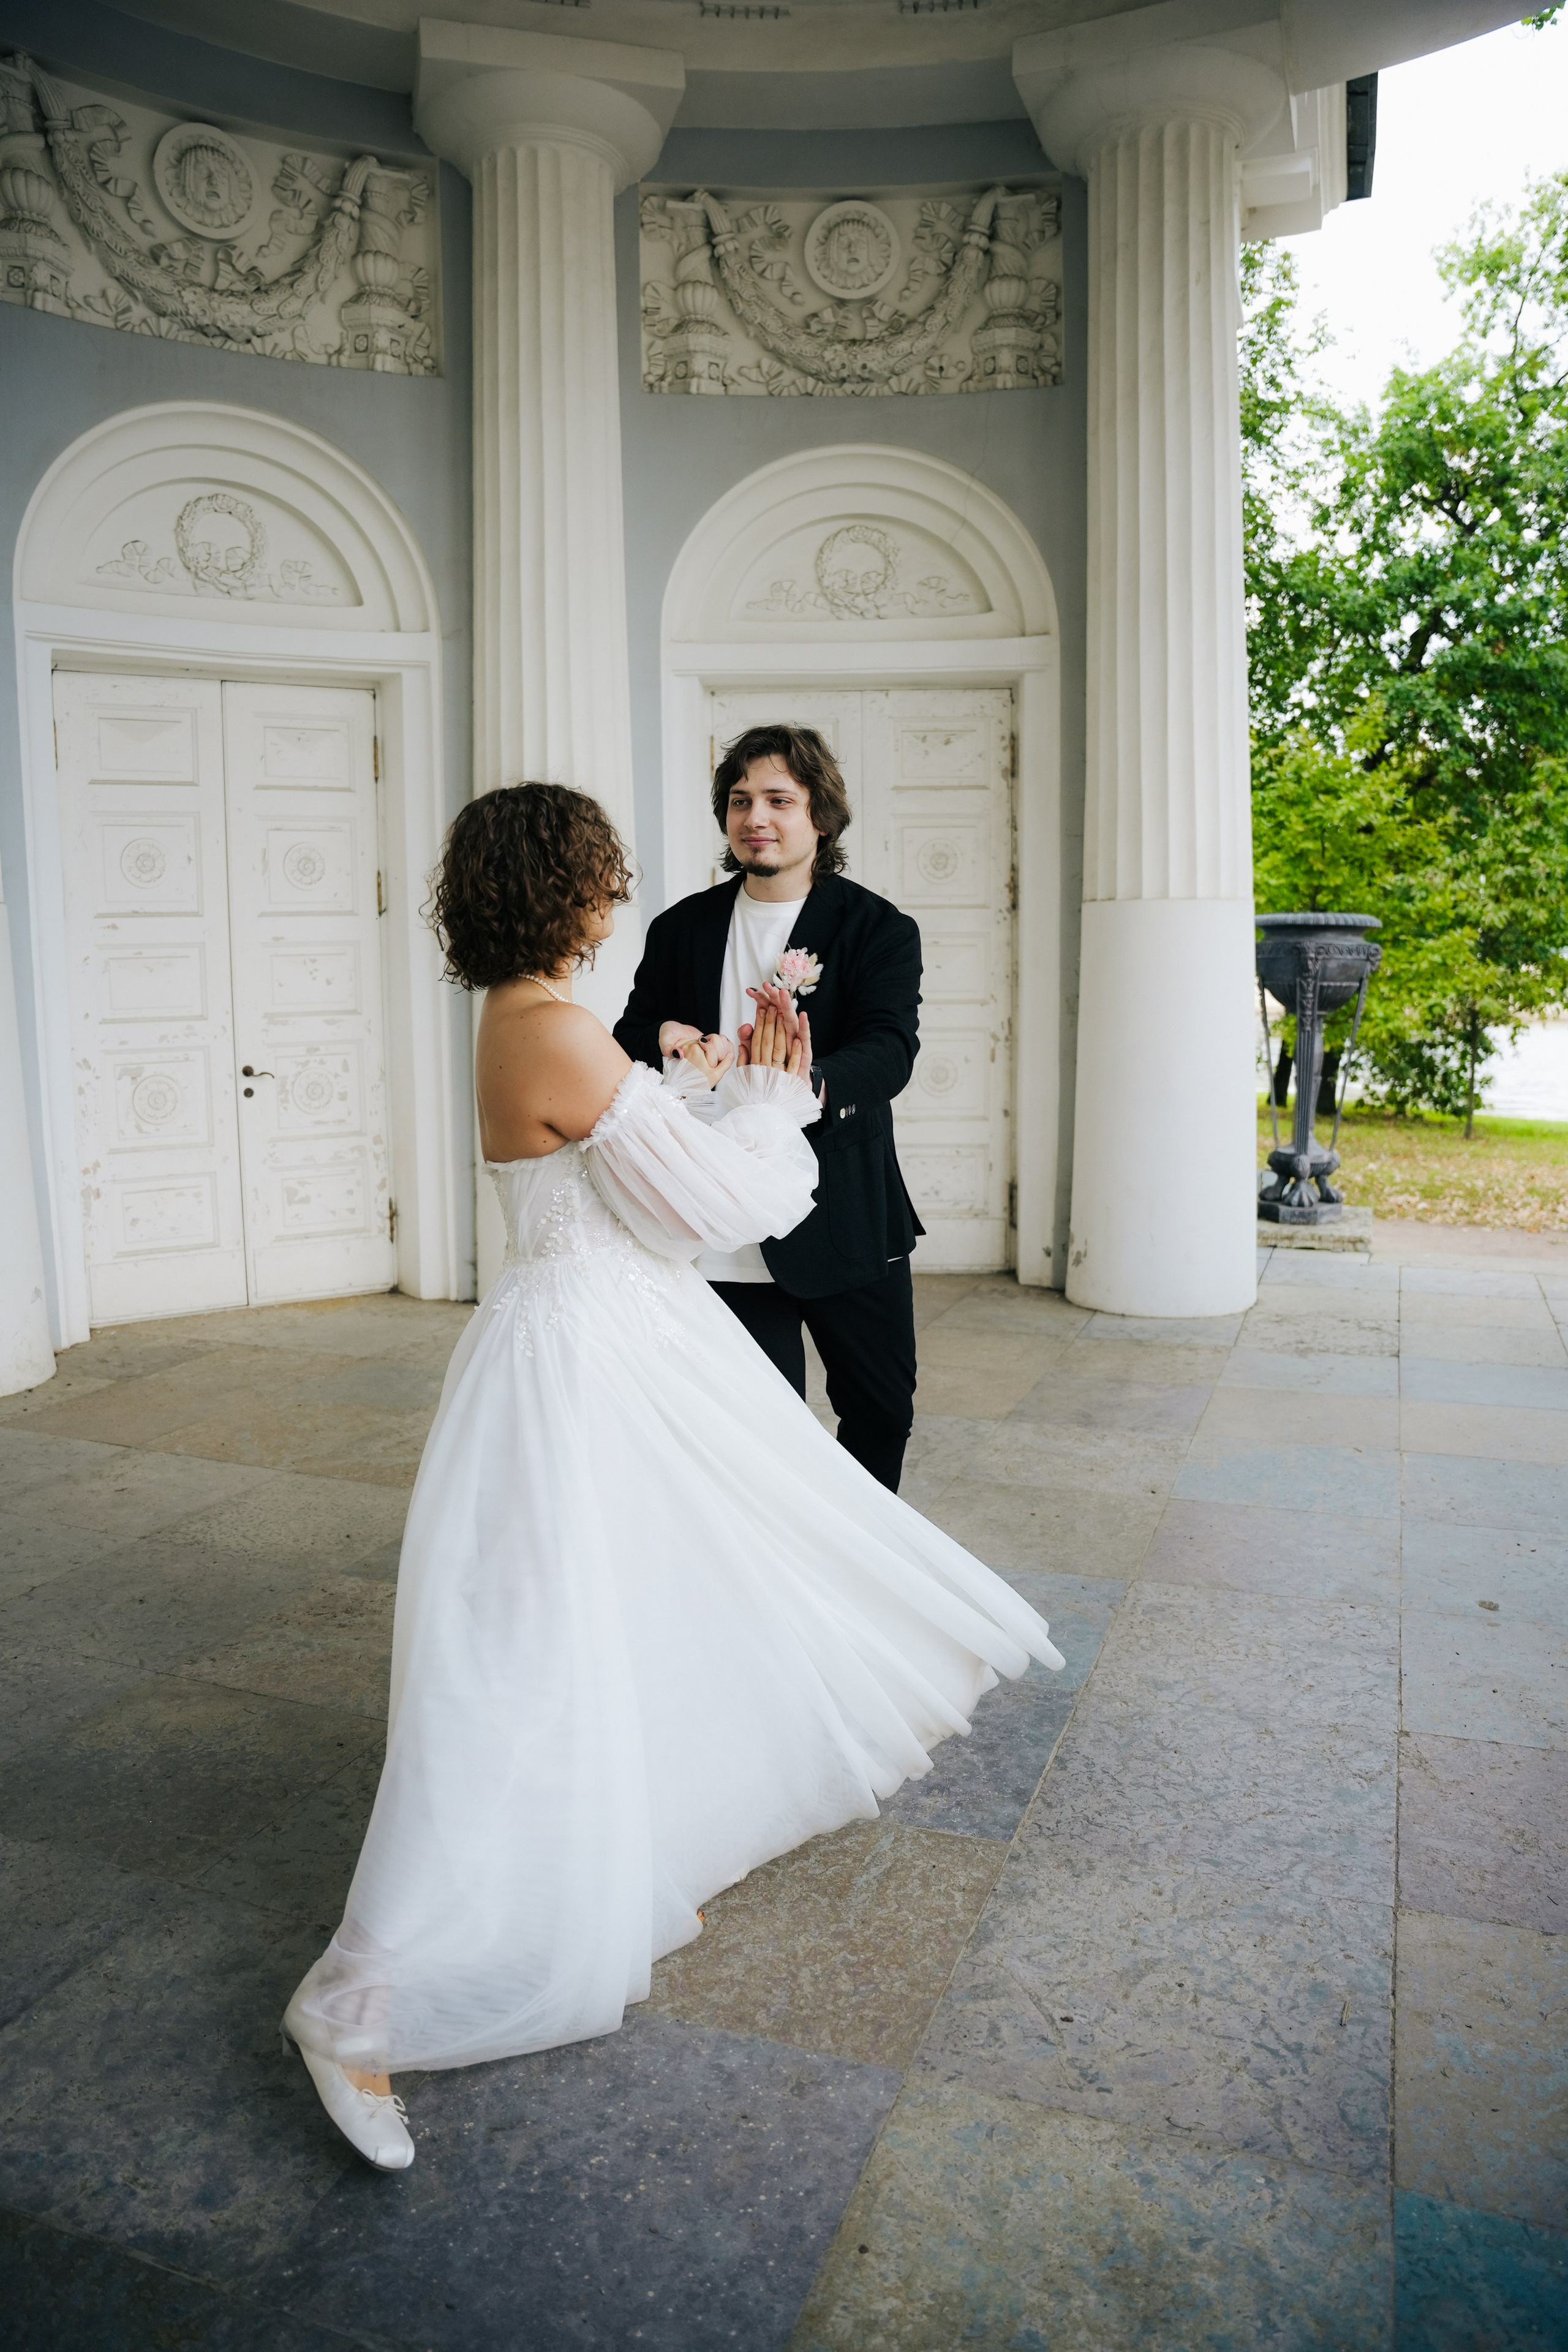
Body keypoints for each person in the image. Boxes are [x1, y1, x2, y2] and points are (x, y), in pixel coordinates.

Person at [282, 782, 1062, 2173]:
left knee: (635, 1614)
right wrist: (768, 1097)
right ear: (561, 888)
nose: (614, 895)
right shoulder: (556, 1031)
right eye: (600, 873)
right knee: (530, 1658)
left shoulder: (522, 1017)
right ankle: (357, 2008)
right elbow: (717, 1208)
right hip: (585, 1367)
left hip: (596, 1342)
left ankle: (621, 1865)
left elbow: (631, 1171)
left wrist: (712, 1092)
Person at [615, 723, 924, 1491]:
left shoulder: (878, 929)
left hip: (843, 1207)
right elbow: (630, 1033)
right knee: (757, 1427)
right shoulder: (680, 927)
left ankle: (861, 1549)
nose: (755, 817)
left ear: (821, 815)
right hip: (719, 1211)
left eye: (779, 800)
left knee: (881, 1410)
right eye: (740, 799)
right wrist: (668, 1035)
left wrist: (801, 1083)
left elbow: (890, 1048)